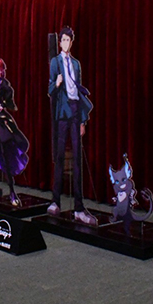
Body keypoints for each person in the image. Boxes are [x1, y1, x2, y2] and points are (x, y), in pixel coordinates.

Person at [47, 26, 95, 225]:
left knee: (77, 159)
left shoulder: (76, 64)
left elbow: (79, 92)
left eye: (69, 40)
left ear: (71, 42)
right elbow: (50, 89)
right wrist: (57, 83)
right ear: (60, 42)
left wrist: (82, 120)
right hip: (62, 113)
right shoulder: (55, 62)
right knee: (60, 157)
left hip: (75, 111)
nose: (66, 43)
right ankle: (55, 201)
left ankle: (78, 208)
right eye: (64, 40)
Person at [0, 58, 30, 206]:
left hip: (2, 122)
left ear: (2, 70)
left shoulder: (4, 84)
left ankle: (12, 192)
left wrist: (3, 104)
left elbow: (10, 99)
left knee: (5, 155)